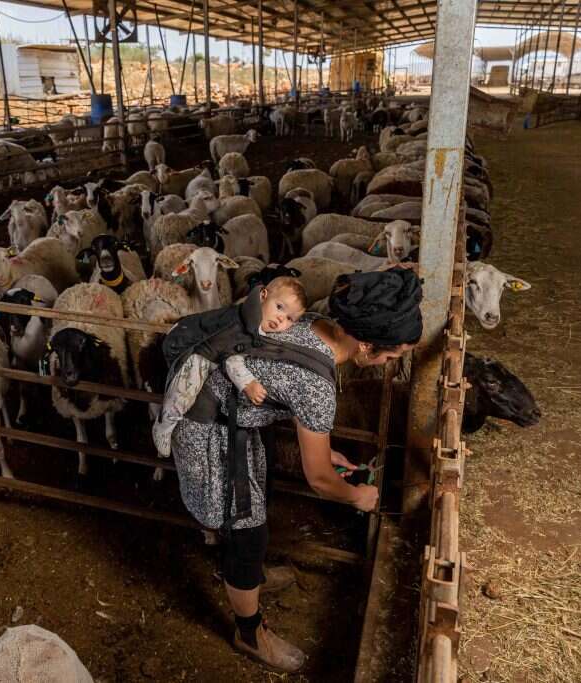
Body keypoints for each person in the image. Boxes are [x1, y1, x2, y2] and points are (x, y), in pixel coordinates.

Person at [170, 268, 424, 673]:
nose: (389, 363)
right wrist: (361, 496)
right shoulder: (318, 387)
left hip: (234, 418)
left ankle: (249, 577)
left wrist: (327, 451)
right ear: (366, 344)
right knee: (247, 530)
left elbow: (283, 389)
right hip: (208, 431)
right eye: (392, 356)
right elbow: (320, 479)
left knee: (256, 505)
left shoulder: (312, 321)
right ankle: (249, 631)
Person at [152, 277, 308, 456]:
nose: (281, 319)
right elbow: (232, 358)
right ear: (263, 296)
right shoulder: (240, 325)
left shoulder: (257, 321)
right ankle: (165, 423)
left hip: (213, 350)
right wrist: (248, 384)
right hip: (191, 347)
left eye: (290, 318)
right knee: (186, 389)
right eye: (279, 307)